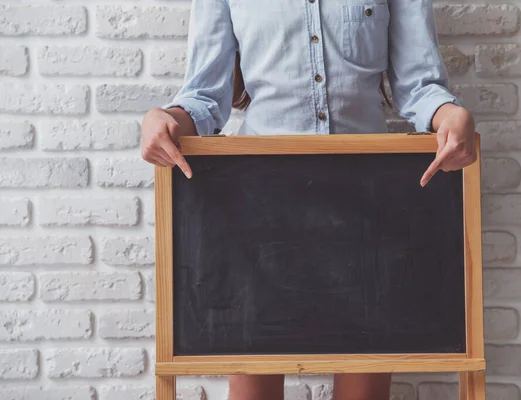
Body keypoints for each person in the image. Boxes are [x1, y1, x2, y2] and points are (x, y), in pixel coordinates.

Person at [142, 0, 477, 398]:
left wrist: (450, 116)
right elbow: (203, 97)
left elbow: (420, 86)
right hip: (258, 213)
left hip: (369, 208)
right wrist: (163, 119)